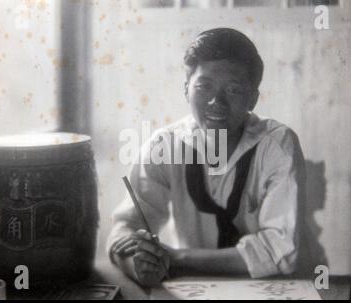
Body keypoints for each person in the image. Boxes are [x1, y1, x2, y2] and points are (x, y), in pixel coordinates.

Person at [107, 28, 306, 287]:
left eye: (233, 90)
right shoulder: (165, 145)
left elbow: (282, 251)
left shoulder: (277, 144)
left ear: (253, 99)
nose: (216, 102)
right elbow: (124, 227)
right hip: (191, 291)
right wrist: (137, 262)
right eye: (204, 87)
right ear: (186, 89)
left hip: (273, 288)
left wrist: (177, 258)